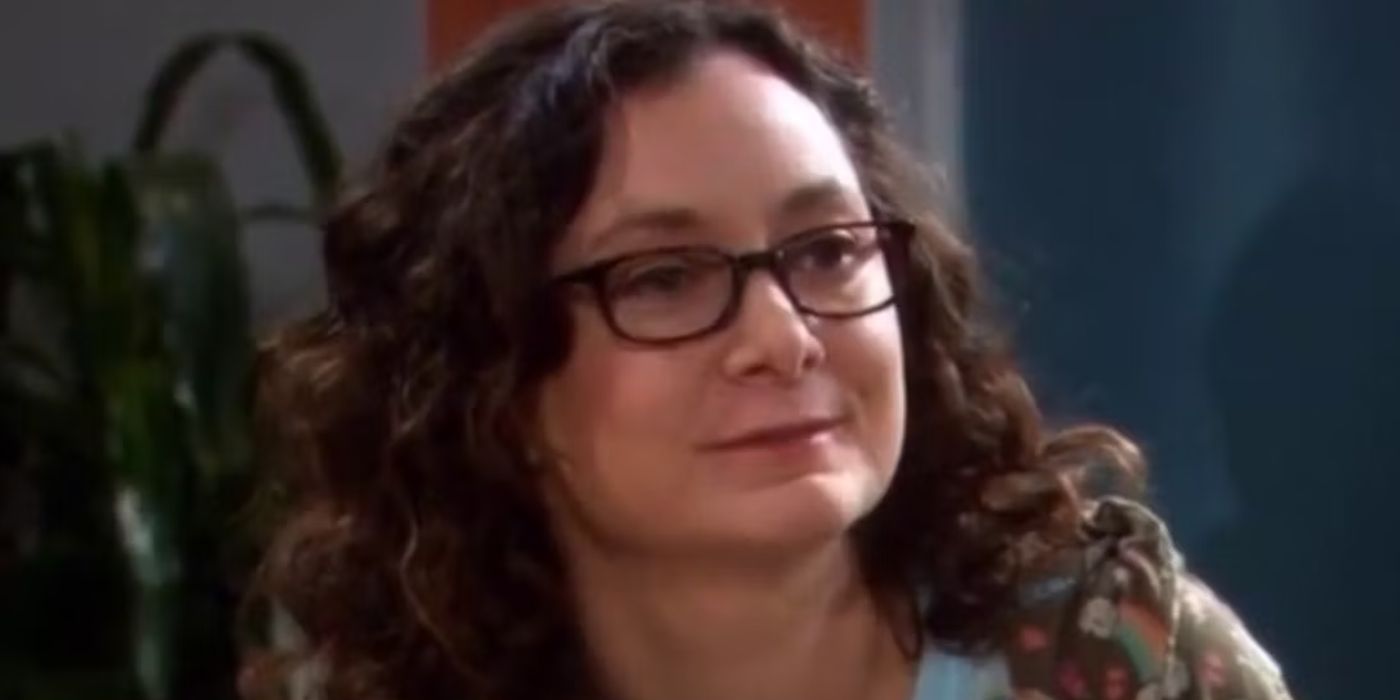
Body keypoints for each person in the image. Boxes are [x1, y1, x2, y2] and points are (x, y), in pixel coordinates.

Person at [245, 2, 1293, 699]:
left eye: (828, 251)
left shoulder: (1120, 661)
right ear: (489, 382)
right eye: (663, 277)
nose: (784, 338)